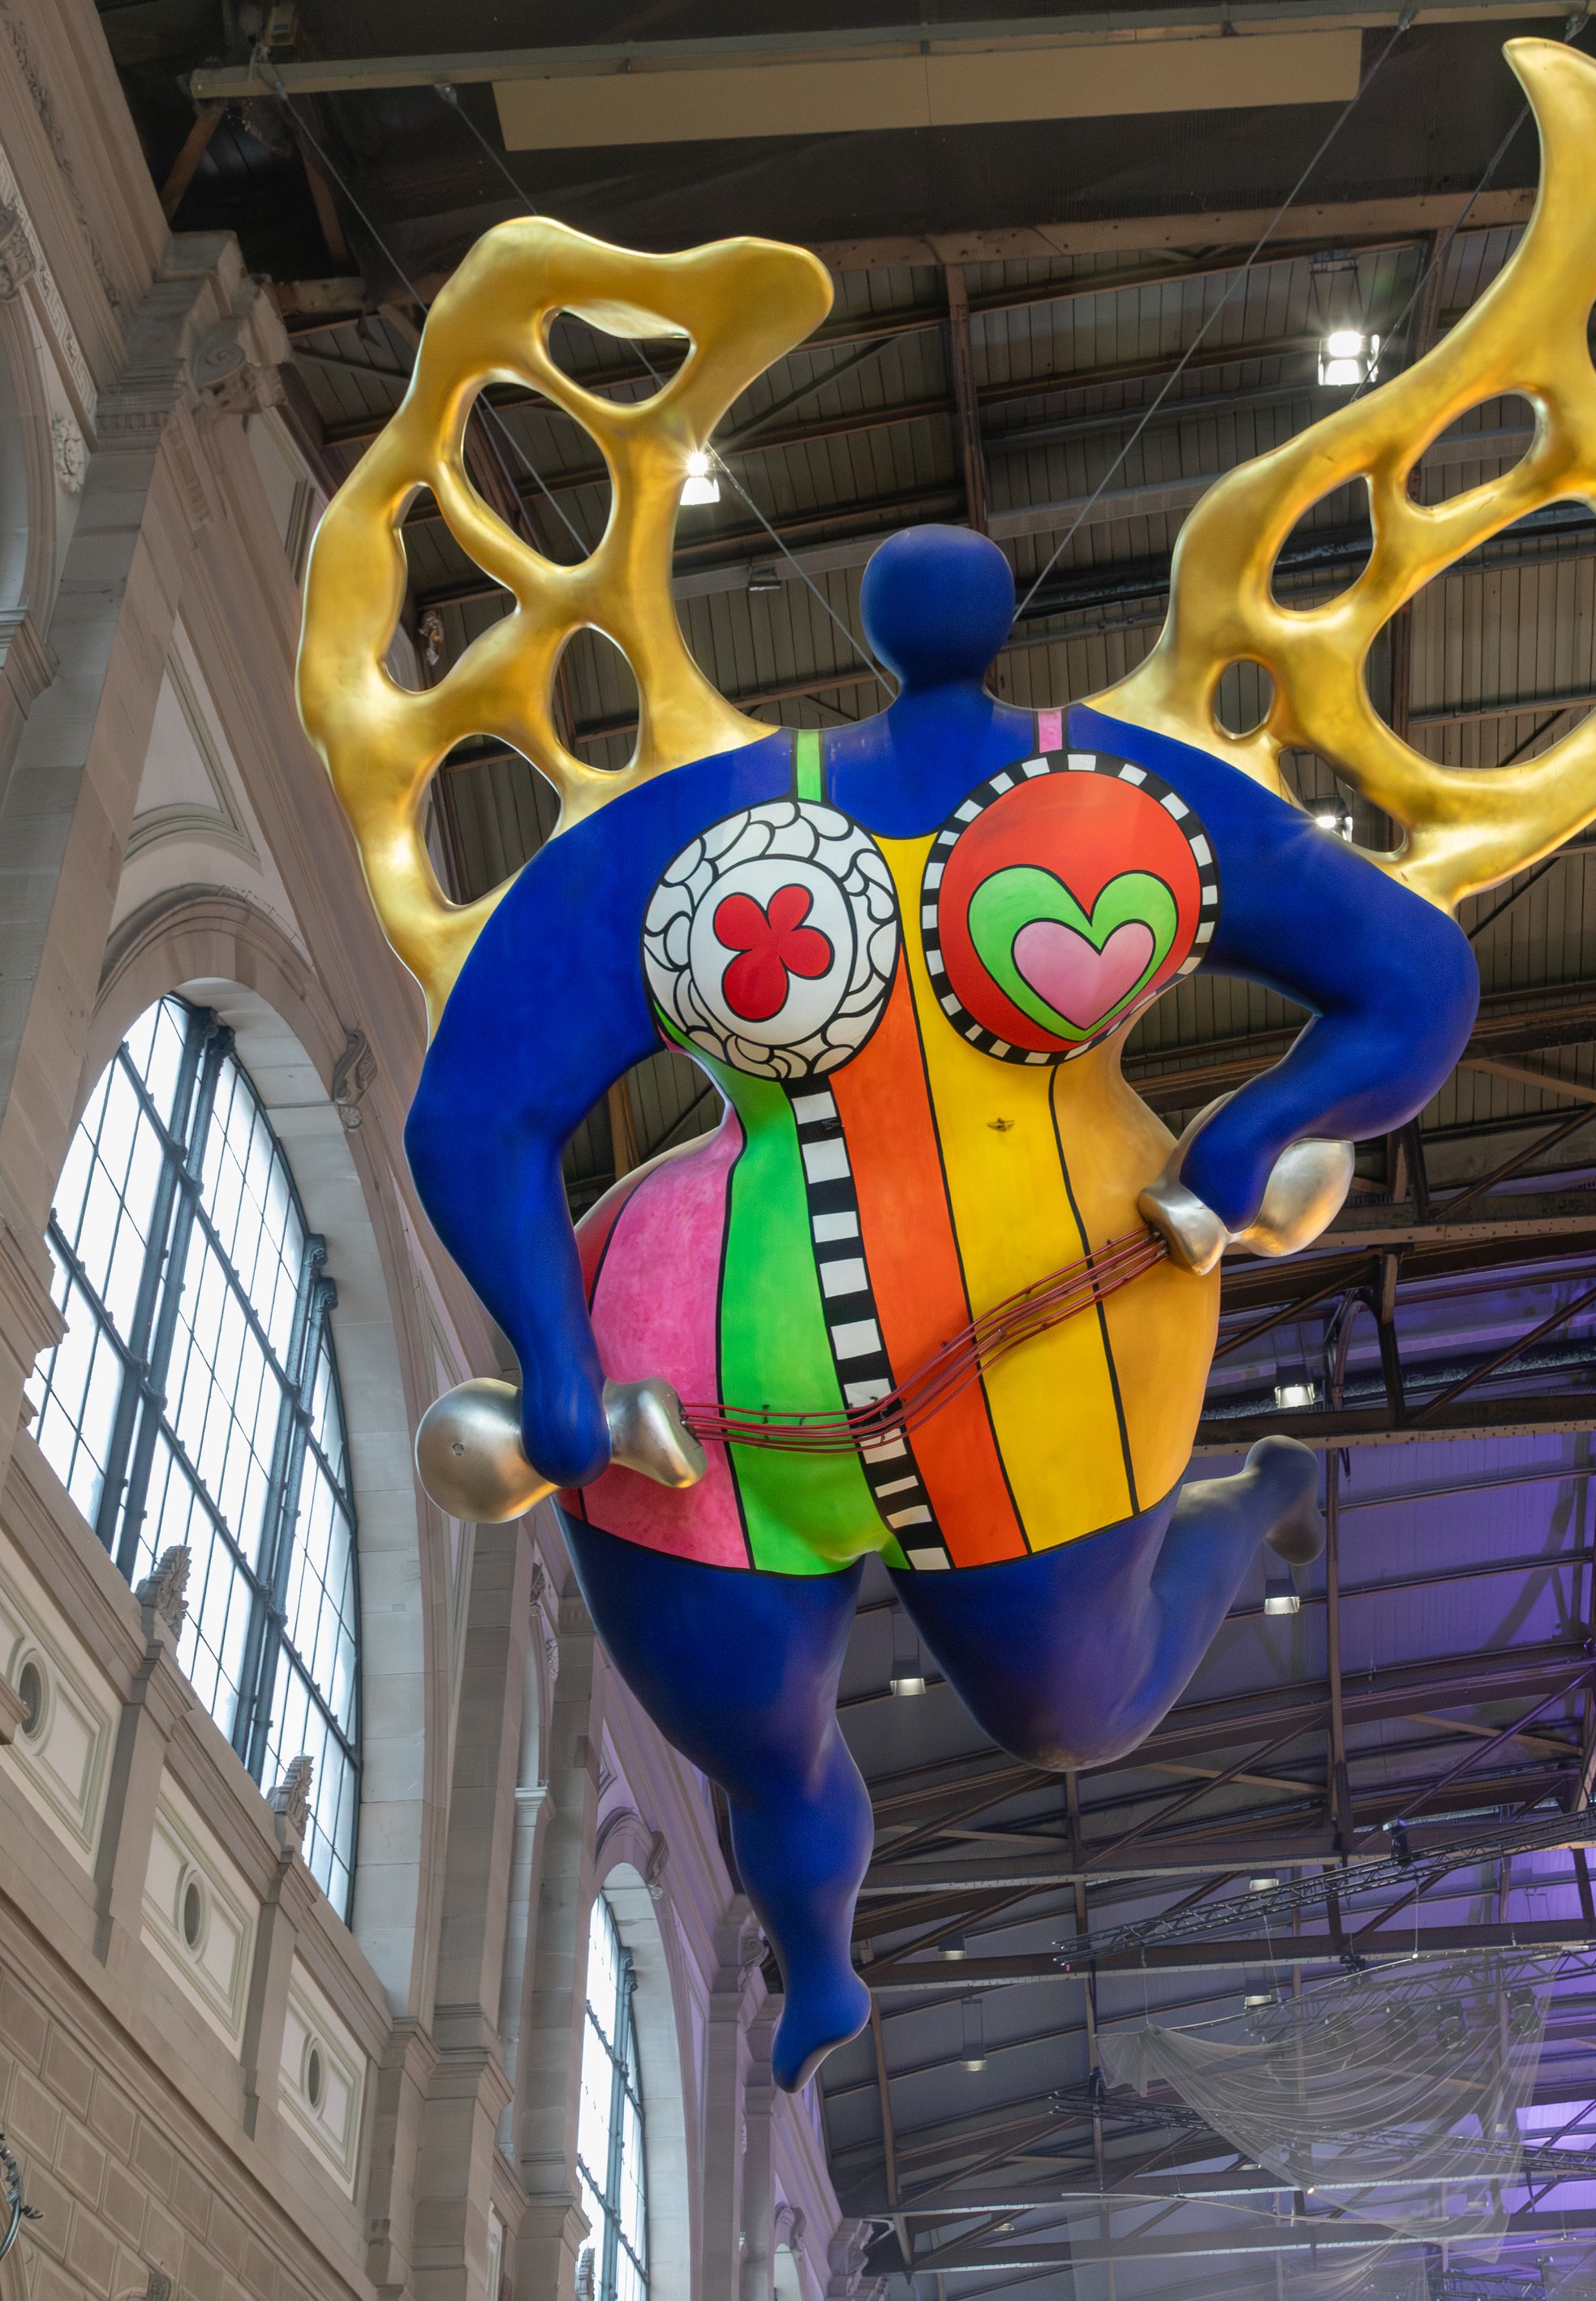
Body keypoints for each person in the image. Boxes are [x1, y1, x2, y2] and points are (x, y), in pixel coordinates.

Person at [406, 522, 1478, 2088]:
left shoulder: (1090, 801)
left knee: (1075, 1708)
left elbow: (1414, 979)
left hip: (1051, 1358)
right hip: (695, 1393)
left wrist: (1252, 1134)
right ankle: (822, 1968)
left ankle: (1256, 1503)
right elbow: (476, 1108)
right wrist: (553, 1354)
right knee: (758, 1747)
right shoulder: (761, 817)